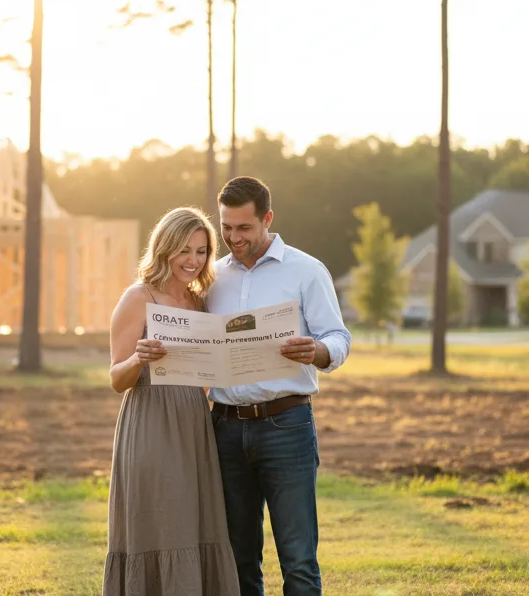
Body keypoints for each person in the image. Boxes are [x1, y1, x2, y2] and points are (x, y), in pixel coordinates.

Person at [205, 177, 352, 596]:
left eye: (244, 228)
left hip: (285, 425)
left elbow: (339, 338)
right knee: (238, 557)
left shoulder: (306, 271)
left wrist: (318, 351)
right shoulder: (213, 277)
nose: (233, 238)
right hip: (225, 429)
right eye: (227, 228)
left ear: (267, 219)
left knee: (298, 558)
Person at [102, 207, 240, 596]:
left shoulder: (201, 304)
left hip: (195, 425)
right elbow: (116, 378)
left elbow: (206, 374)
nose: (193, 261)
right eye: (184, 251)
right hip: (150, 423)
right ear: (164, 250)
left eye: (201, 251)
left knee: (197, 522)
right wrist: (138, 358)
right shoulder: (138, 298)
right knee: (164, 521)